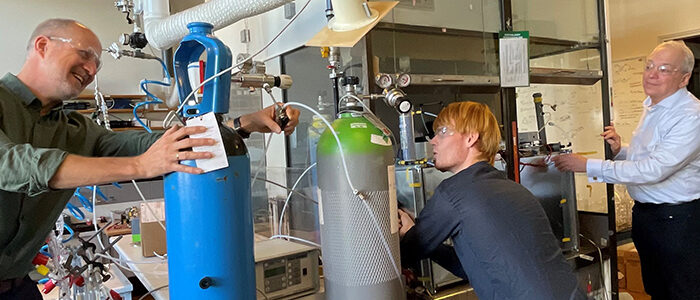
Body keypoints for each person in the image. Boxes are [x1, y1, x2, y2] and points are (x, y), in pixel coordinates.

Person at [0, 18, 299, 299]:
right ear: (42, 45)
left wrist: (242, 125)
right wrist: (141, 166)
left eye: (97, 63)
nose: (92, 70)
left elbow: (144, 143)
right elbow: (12, 163)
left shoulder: (73, 128)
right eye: (85, 54)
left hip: (18, 287)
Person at [553, 40, 700, 299]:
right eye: (649, 66)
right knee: (657, 290)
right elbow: (650, 156)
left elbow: (655, 170)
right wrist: (621, 150)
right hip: (648, 217)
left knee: (683, 293)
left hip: (678, 221)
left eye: (664, 69)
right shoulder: (654, 106)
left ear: (684, 78)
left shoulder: (691, 115)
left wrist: (587, 165)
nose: (652, 74)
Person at [398, 101, 584, 300]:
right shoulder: (512, 188)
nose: (433, 140)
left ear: (470, 138)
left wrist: (410, 233)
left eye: (443, 131)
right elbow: (474, 267)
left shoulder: (454, 192)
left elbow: (407, 253)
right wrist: (430, 245)